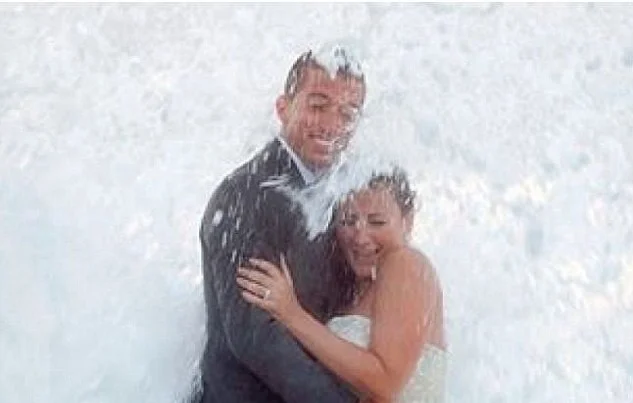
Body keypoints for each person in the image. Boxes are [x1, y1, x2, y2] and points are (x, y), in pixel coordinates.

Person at [197, 44, 366, 402]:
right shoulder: (242, 196)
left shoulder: (352, 195)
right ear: (283, 107)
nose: (332, 125)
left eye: (347, 113)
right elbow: (255, 336)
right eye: (318, 106)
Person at [237, 167, 447, 402]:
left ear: (407, 221)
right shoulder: (356, 290)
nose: (360, 238)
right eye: (348, 221)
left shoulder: (406, 263)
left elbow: (385, 383)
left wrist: (291, 314)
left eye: (377, 222)